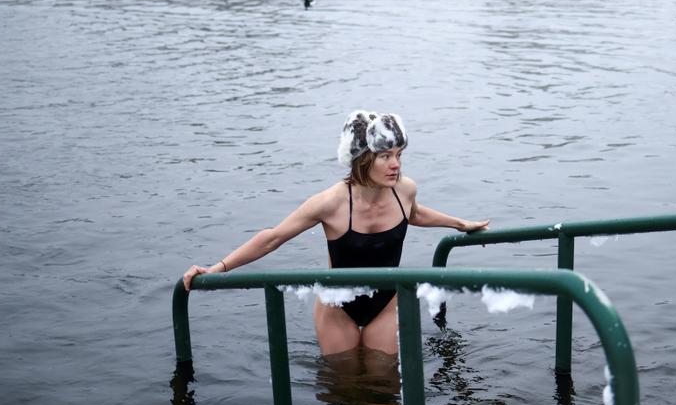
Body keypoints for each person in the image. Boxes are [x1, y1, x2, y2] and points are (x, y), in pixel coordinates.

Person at [183, 111, 489, 356]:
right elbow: (274, 237)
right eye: (386, 157)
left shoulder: (404, 190)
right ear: (363, 160)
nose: (396, 164)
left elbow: (414, 213)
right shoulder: (331, 202)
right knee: (341, 385)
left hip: (385, 301)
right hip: (337, 304)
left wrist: (459, 224)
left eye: (399, 154)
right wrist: (217, 269)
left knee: (382, 384)